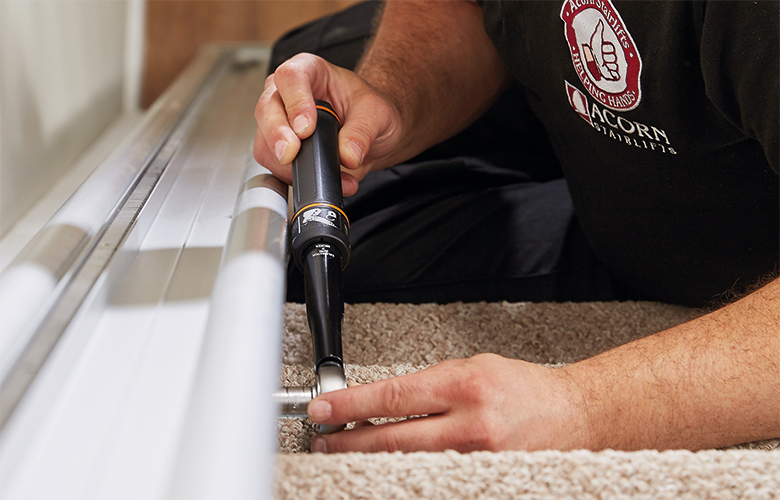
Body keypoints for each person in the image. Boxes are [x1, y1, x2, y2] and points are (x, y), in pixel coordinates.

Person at [254, 0, 779, 453]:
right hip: (606, 140)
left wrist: (582, 405)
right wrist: (390, 99)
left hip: (719, 252)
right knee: (308, 74)